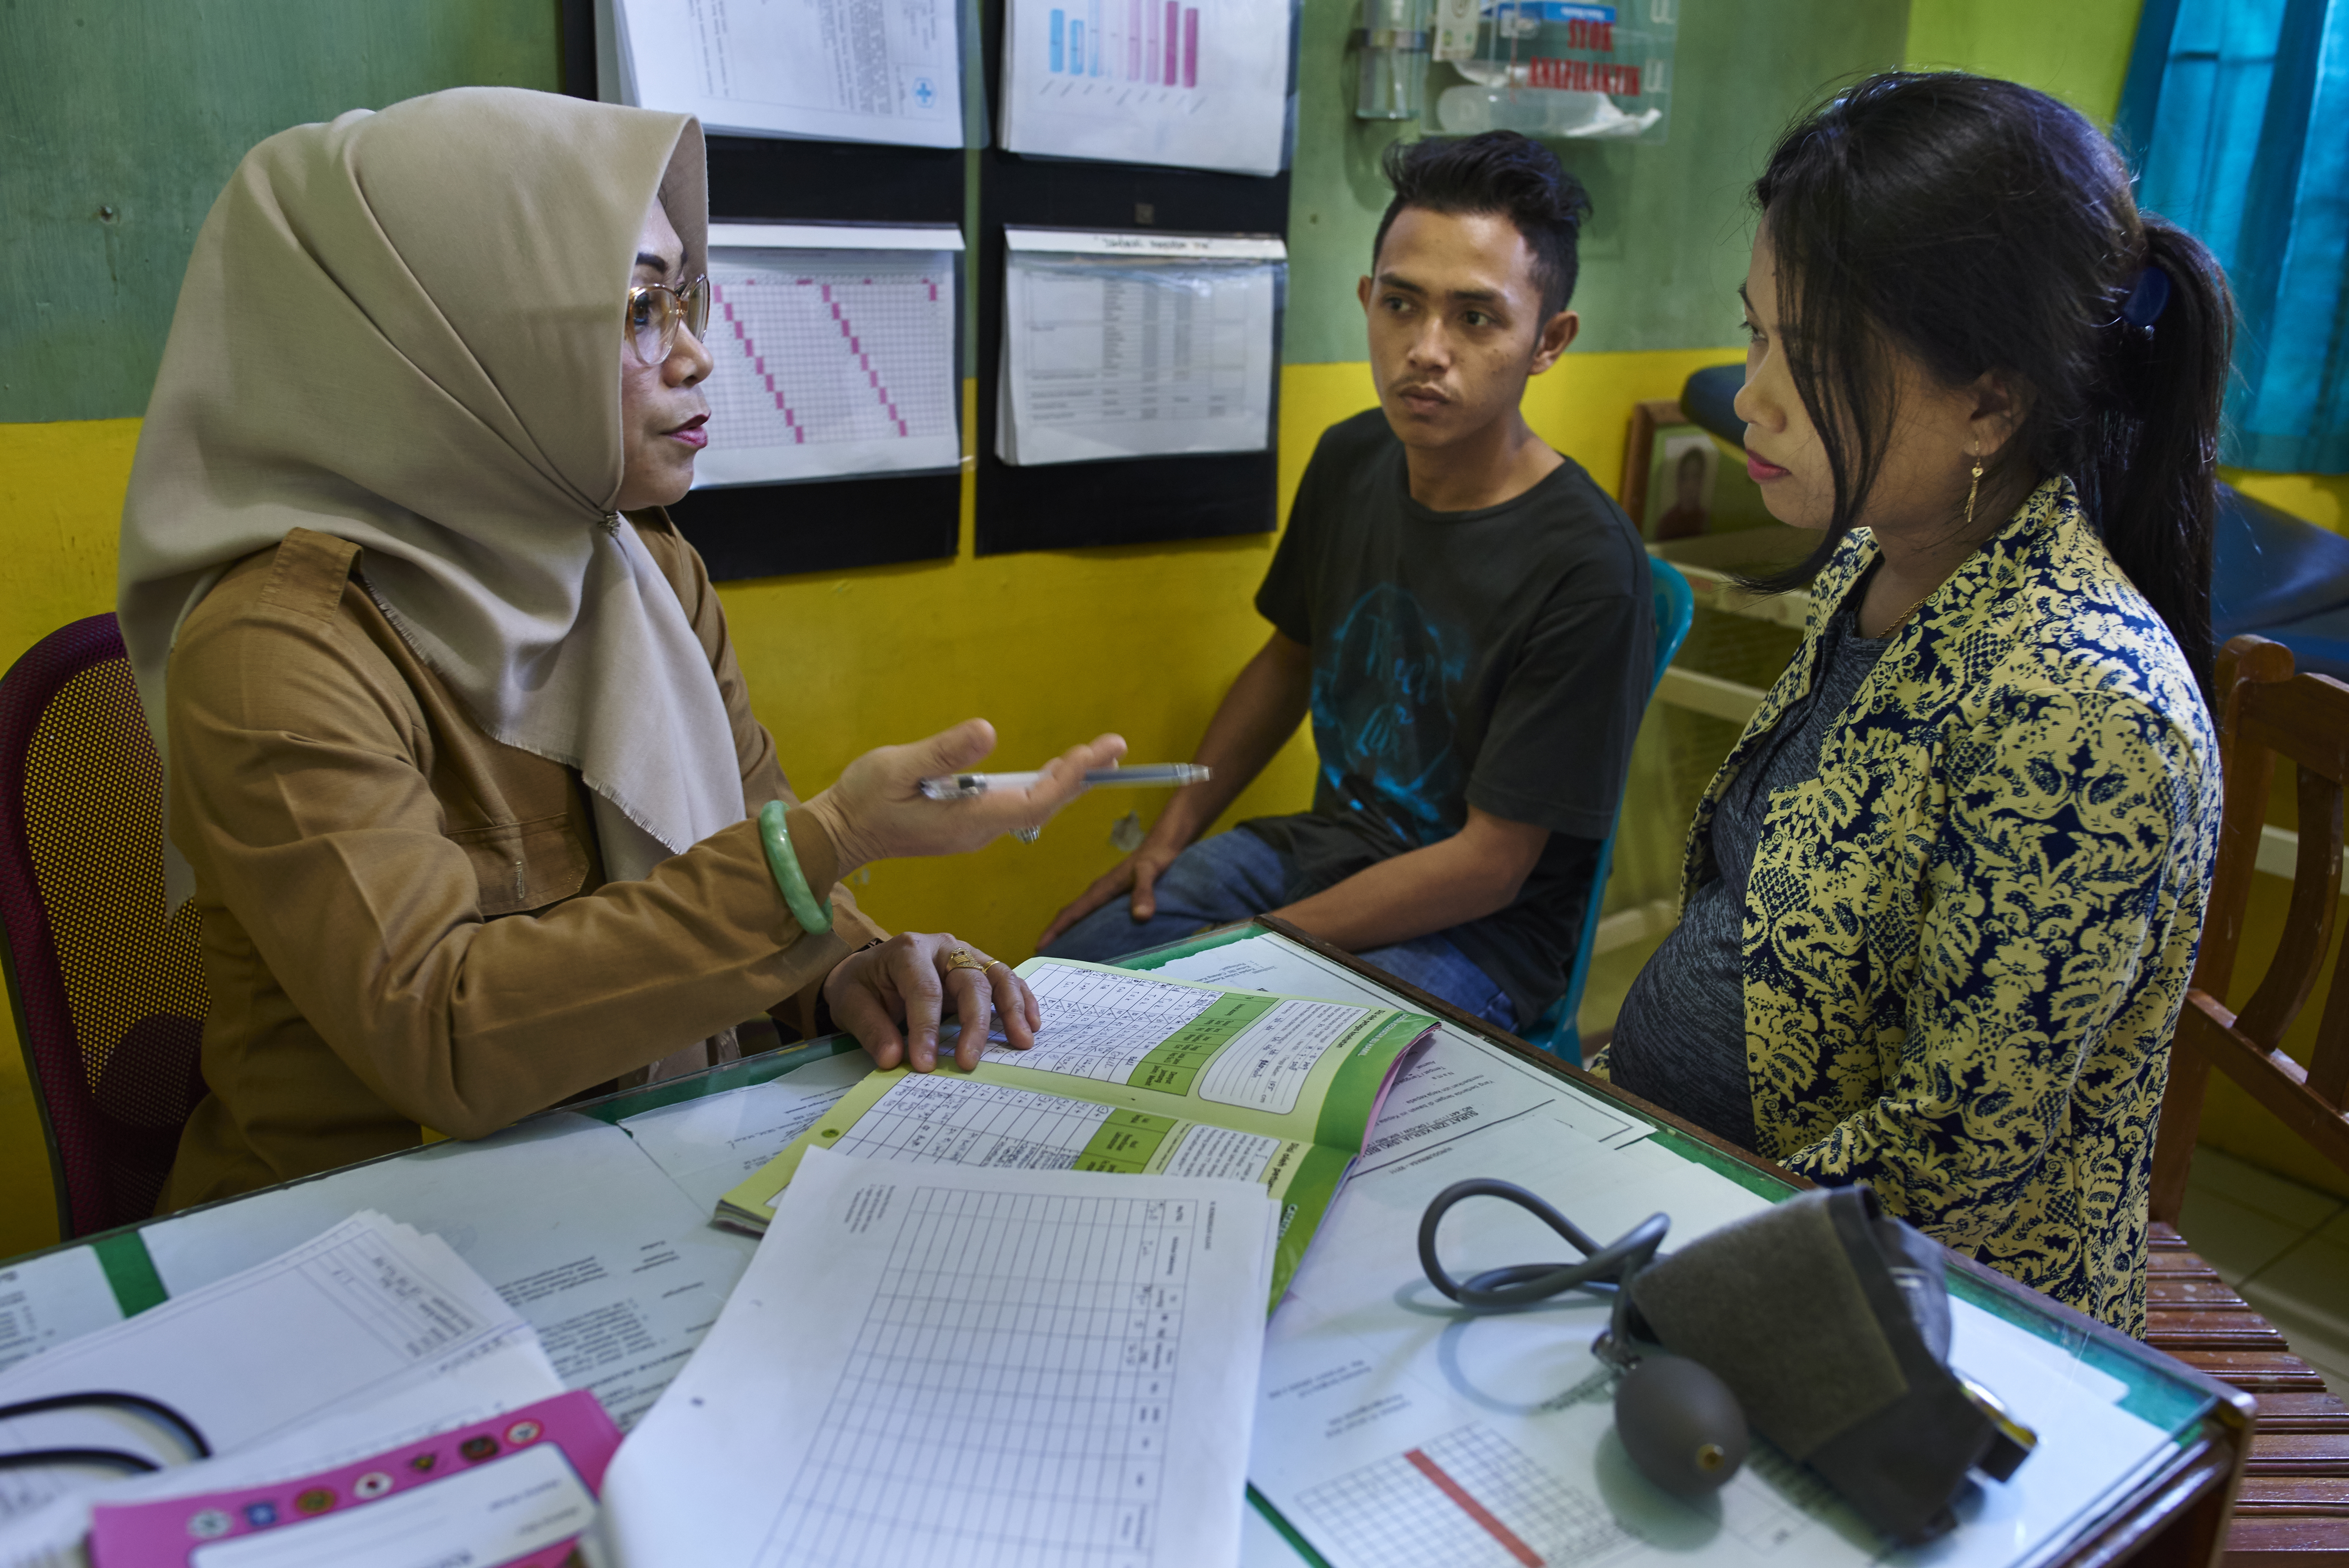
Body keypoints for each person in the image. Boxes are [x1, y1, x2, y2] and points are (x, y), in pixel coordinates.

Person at [118, 88, 1123, 1210]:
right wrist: (825, 847)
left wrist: (853, 967)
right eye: (638, 309)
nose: (696, 357)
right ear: (455, 337)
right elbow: (444, 1034)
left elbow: (746, 854)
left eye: (684, 296)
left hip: (645, 1179)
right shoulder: (279, 650)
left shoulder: (647, 571)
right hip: (364, 1237)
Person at [1600, 72, 2233, 1334]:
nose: (1752, 400)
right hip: (1713, 1193)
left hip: (1909, 1318)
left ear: (1989, 402)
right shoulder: (1879, 554)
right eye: (1754, 336)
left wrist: (1663, 1265)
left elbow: (1953, 1168)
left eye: (1811, 357)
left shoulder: (2081, 711)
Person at [1039, 132, 1653, 1033]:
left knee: (1235, 1043)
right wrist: (1171, 838)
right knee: (1060, 983)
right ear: (1368, 300)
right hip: (1326, 853)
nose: (1425, 350)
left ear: (1546, 341)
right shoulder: (1352, 456)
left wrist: (1252, 942)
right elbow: (1287, 660)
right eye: (1401, 305)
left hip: (1480, 934)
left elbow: (1491, 864)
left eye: (1475, 318)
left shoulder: (1589, 567)